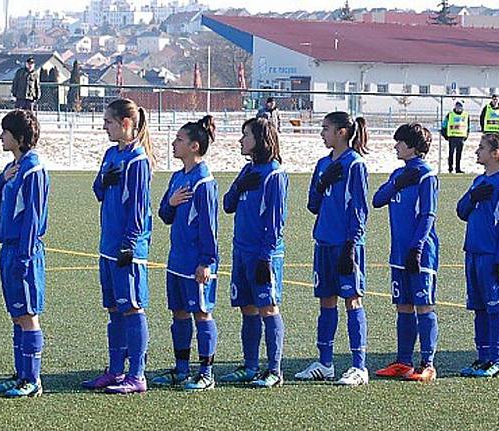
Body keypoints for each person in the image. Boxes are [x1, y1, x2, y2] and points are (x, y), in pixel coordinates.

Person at [82, 98, 154, 394]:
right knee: (113, 309)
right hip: (107, 245)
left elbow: (139, 208)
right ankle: (114, 370)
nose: (104, 127)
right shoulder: (111, 153)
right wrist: (104, 178)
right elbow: (98, 190)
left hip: (127, 249)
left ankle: (137, 375)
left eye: (109, 122)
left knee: (132, 309)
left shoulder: (139, 160)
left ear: (126, 124)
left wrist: (130, 243)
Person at [295, 111, 370, 386]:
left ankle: (359, 367)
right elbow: (313, 204)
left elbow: (360, 208)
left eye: (326, 128)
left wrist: (352, 243)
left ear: (341, 132)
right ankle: (325, 363)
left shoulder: (355, 164)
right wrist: (322, 182)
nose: (322, 133)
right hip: (324, 241)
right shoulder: (323, 164)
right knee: (326, 300)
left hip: (346, 244)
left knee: (352, 300)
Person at [219, 117, 288, 388]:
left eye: (245, 135)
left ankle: (274, 370)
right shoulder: (247, 171)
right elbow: (227, 204)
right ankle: (250, 365)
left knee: (268, 308)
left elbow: (276, 220)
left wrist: (266, 256)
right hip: (241, 250)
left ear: (260, 139)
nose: (241, 140)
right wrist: (239, 186)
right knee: (246, 308)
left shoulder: (274, 174)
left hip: (263, 254)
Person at [154, 116, 220, 391]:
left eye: (179, 140)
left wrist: (207, 261)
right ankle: (181, 369)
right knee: (179, 314)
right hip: (176, 260)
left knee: (201, 314)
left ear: (194, 146)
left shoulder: (204, 181)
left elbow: (210, 225)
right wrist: (170, 202)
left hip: (196, 262)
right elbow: (164, 215)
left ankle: (206, 373)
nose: (174, 143)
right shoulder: (178, 177)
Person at [0, 109, 49, 397]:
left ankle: (33, 380)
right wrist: (2, 178)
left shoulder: (34, 170)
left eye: (5, 132)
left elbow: (33, 219)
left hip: (24, 252)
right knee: (16, 315)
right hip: (8, 249)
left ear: (19, 137)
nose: (1, 137)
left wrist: (24, 258)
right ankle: (20, 374)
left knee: (28, 315)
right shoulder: (13, 168)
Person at [372, 123, 440, 382]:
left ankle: (427, 364)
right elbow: (378, 200)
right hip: (398, 253)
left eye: (399, 142)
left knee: (423, 306)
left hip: (419, 252)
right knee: (403, 306)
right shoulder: (398, 174)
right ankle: (403, 361)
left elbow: (428, 215)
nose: (395, 146)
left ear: (412, 146)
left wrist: (417, 247)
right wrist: (398, 183)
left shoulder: (427, 175)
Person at [457, 133, 499, 378]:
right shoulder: (478, 182)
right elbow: (461, 211)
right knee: (479, 308)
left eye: (481, 148)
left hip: (492, 256)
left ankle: (496, 360)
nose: (476, 152)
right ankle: (482, 357)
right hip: (472, 252)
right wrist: (472, 197)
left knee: (495, 308)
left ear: (496, 153)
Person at [440, 100, 469, 173]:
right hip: (452, 137)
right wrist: (445, 135)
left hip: (461, 137)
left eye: (460, 106)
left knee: (459, 154)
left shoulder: (465, 115)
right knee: (451, 153)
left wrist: (466, 136)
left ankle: (458, 169)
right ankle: (450, 168)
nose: (458, 108)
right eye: (457, 106)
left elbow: (468, 127)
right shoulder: (450, 114)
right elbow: (444, 125)